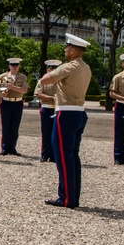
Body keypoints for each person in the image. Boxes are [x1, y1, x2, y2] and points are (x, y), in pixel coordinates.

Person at [40, 34, 93, 209]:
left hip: (66, 113)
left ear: (73, 50)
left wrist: (53, 74)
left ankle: (67, 199)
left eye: (67, 48)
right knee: (72, 157)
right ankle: (72, 196)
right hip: (78, 113)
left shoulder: (69, 67)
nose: (64, 50)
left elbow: (45, 80)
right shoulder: (86, 68)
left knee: (63, 157)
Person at [0, 57, 28, 156]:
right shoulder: (3, 76)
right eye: (12, 65)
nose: (14, 67)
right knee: (5, 126)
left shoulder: (23, 77)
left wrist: (11, 87)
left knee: (15, 126)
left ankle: (12, 147)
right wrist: (2, 94)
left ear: (19, 66)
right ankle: (5, 147)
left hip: (17, 103)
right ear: (9, 66)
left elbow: (24, 90)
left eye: (16, 65)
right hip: (6, 102)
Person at [33, 59, 61, 162]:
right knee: (46, 133)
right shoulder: (42, 80)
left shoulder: (61, 80)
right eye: (51, 67)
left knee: (56, 134)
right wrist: (52, 98)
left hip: (58, 109)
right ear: (47, 69)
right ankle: (45, 155)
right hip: (46, 108)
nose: (52, 69)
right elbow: (38, 94)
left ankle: (54, 155)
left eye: (55, 68)